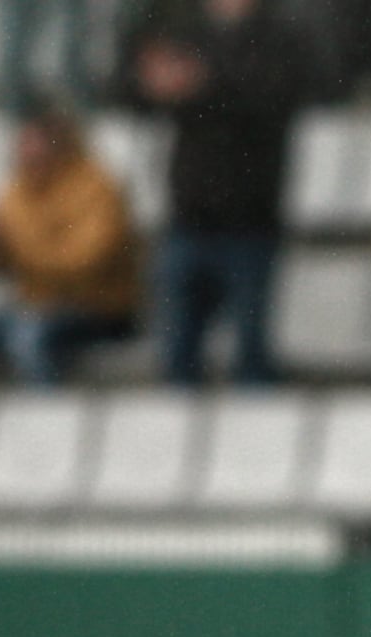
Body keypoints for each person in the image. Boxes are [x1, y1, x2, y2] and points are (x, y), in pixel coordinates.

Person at [120, 0, 317, 387]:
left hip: (250, 219)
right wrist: (153, 82)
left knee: (250, 353)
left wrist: (202, 85)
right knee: (176, 352)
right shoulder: (186, 30)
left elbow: (273, 96)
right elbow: (134, 93)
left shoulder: (281, 35)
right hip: (189, 216)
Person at [0, 108, 139, 388]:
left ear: (58, 147)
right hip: (34, 305)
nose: (24, 155)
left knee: (28, 338)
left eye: (32, 146)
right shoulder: (13, 190)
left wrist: (19, 252)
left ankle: (48, 424)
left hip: (97, 309)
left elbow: (89, 261)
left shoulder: (97, 187)